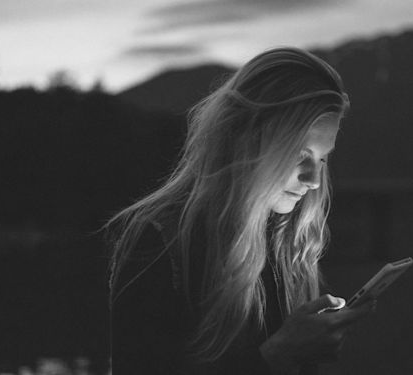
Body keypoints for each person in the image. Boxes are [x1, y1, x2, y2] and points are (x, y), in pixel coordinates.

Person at [102, 46, 376, 375]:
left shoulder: (285, 239)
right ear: (246, 138)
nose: (314, 180)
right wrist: (278, 355)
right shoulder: (159, 243)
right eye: (299, 154)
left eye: (322, 158)